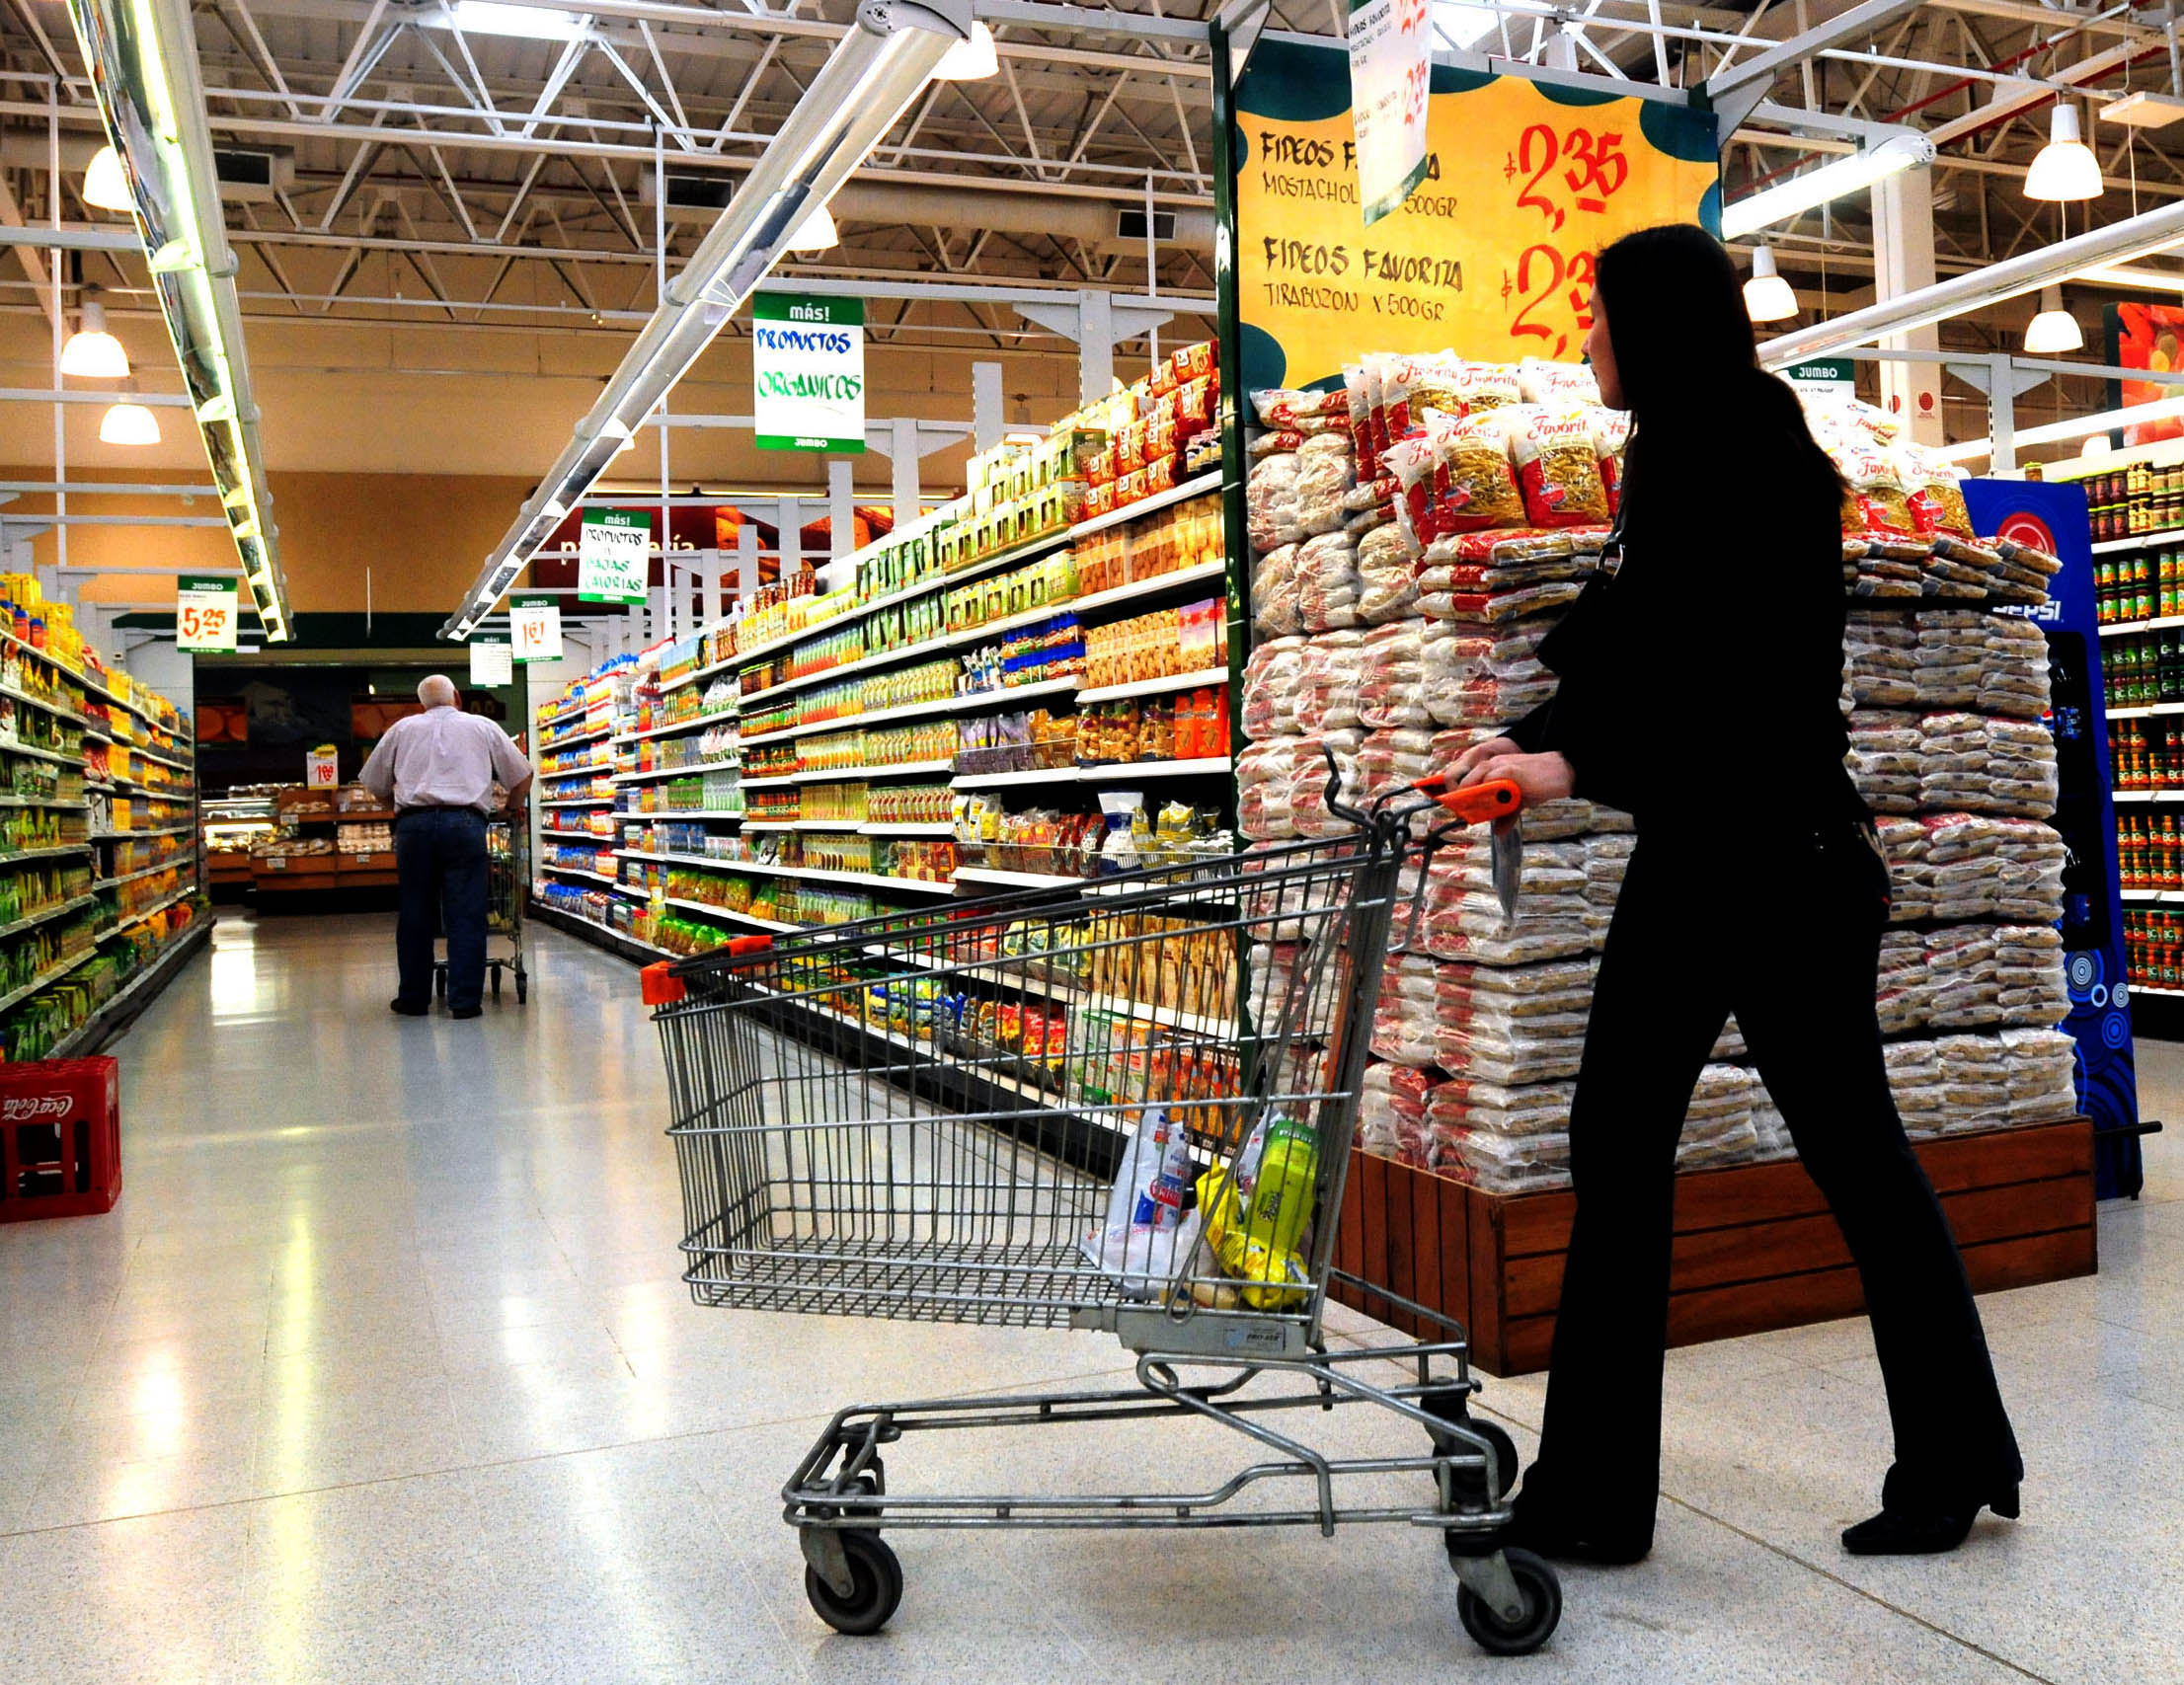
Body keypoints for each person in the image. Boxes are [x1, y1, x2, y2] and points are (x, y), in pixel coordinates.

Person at [1449, 224, 2022, 1563]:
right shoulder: (1692, 441)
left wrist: (1571, 760)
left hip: (1768, 861)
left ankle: (1612, 1497)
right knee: (1709, 1148)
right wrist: (1523, 736)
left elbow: (1728, 677)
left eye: (1598, 316)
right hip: (1729, 853)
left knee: (1771, 1151)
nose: (1584, 340)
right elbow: (1641, 644)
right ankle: (1926, 1456)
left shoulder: (1737, 453)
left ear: (1653, 324)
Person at [359, 675, 533, 1019]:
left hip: (414, 828)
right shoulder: (482, 726)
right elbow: (522, 775)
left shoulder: (401, 729)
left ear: (421, 703)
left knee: (415, 912)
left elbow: (373, 782)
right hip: (464, 825)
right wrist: (510, 808)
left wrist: (397, 807)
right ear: (457, 696)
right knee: (466, 913)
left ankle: (413, 998)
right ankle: (464, 1002)